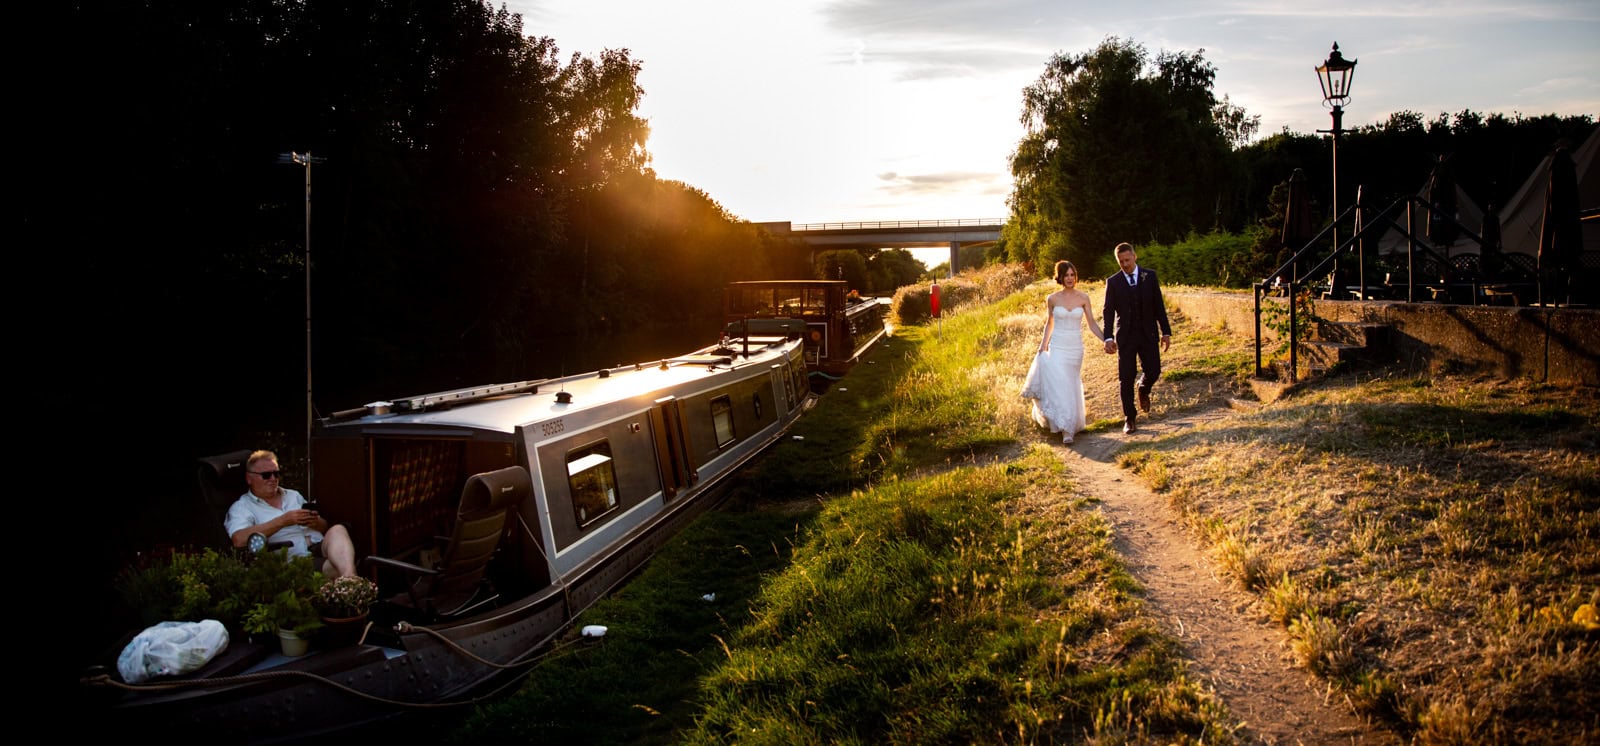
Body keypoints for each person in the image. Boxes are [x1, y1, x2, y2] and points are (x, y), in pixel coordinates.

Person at [225, 449, 357, 578]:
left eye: (276, 474)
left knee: (338, 529)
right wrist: (283, 521)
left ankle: (351, 579)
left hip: (317, 547)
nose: (273, 479)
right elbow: (239, 539)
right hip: (293, 559)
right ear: (249, 478)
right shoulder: (242, 507)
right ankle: (352, 581)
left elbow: (323, 527)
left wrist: (315, 522)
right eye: (266, 475)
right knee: (341, 566)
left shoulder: (293, 495)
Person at [1024, 260, 1107, 444]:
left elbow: (1092, 323)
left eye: (1072, 275)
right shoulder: (1052, 299)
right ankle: (1066, 429)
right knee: (1060, 385)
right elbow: (1050, 323)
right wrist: (1043, 344)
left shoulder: (1083, 298)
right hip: (1058, 345)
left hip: (1075, 348)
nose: (1070, 278)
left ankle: (1071, 422)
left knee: (1070, 384)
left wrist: (1106, 339)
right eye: (1066, 275)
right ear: (1060, 277)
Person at [1101, 242, 1172, 434]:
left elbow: (1159, 306)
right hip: (1126, 336)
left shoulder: (1150, 276)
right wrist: (1107, 337)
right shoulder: (1113, 282)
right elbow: (1108, 312)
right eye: (1121, 262)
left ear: (1135, 256)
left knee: (1154, 370)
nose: (1125, 265)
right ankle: (1129, 418)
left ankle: (1144, 387)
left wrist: (1166, 332)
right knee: (1126, 377)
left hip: (1148, 333)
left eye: (1127, 260)